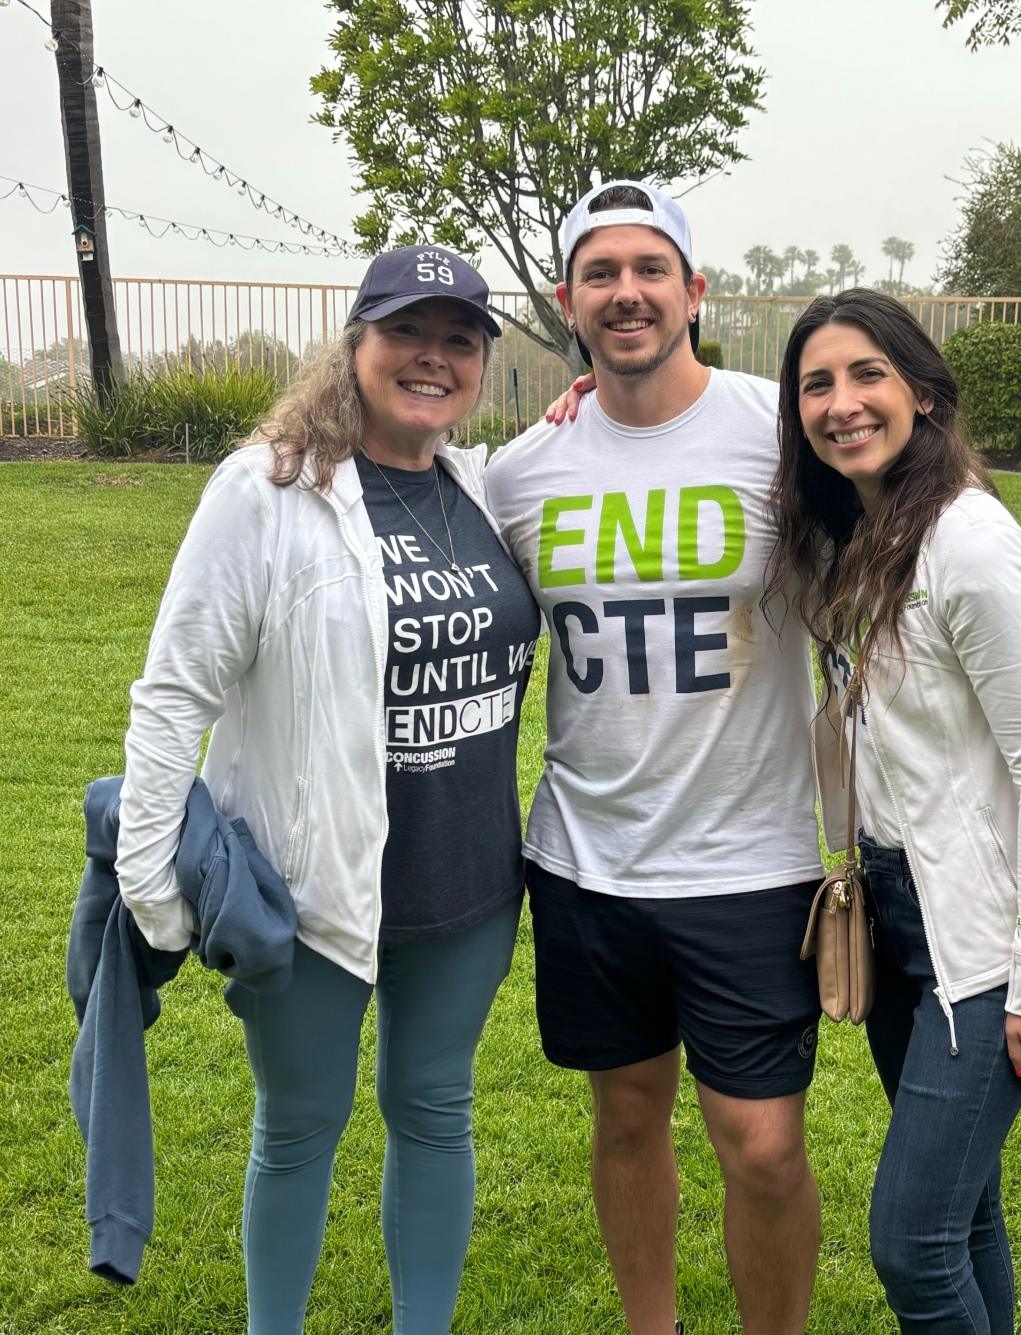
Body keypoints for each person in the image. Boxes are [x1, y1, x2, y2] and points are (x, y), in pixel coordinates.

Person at [114, 245, 540, 1334]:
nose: (432, 359)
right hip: (309, 890)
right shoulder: (266, 490)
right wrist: (151, 877)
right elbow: (175, 690)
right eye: (407, 333)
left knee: (435, 1110)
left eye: (459, 341)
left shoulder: (477, 486)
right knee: (299, 1126)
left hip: (468, 881)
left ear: (482, 366)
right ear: (355, 346)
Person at [485, 182, 824, 1335]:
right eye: (600, 273)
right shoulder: (520, 473)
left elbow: (921, 508)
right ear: (570, 302)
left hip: (752, 857)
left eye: (649, 268)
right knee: (626, 1119)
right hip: (589, 862)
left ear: (694, 290)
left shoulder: (777, 432)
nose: (625, 292)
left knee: (765, 1146)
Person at [767, 288, 1021, 1333]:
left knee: (912, 1246)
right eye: (817, 384)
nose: (842, 404)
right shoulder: (857, 539)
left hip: (982, 949)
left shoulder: (968, 543)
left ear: (926, 396)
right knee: (966, 1214)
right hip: (897, 923)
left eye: (868, 376)